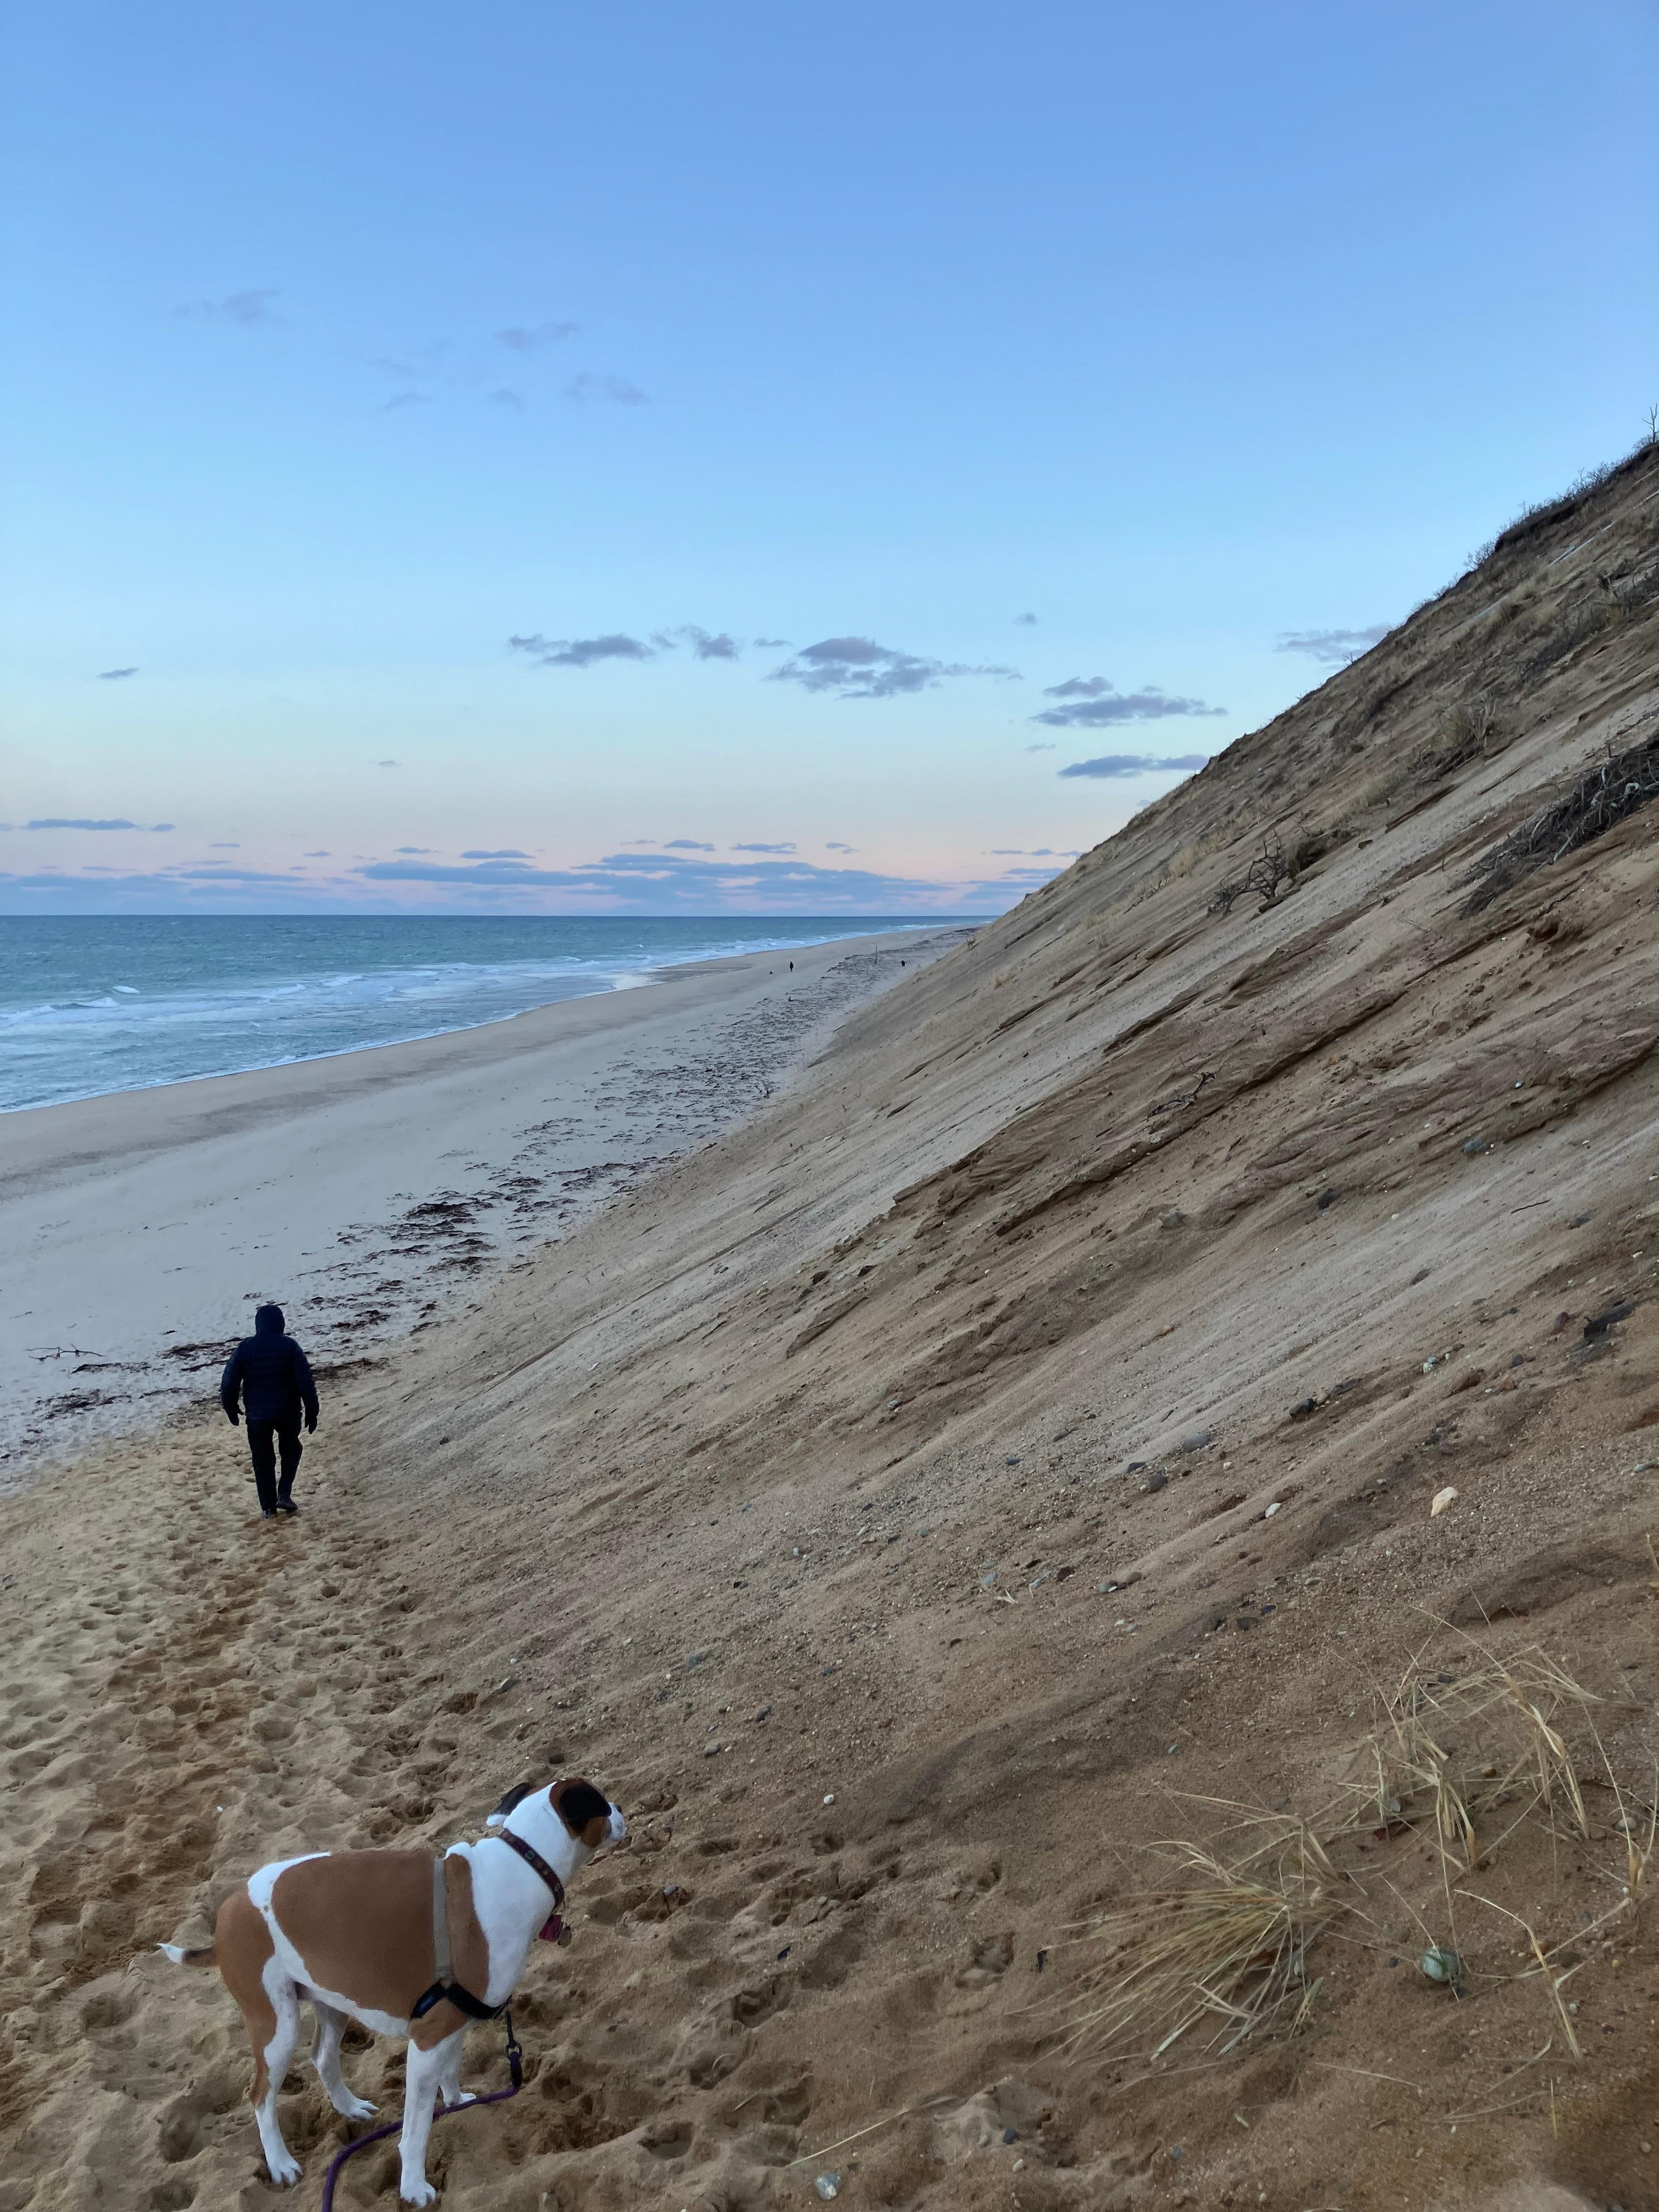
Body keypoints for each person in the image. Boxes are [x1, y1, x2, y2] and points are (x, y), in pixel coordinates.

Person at [220, 1304, 319, 1520]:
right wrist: (313, 1409)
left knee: (262, 1459)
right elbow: (306, 1382)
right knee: (291, 1449)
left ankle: (268, 1507)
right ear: (281, 1324)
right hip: (288, 1412)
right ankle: (284, 1493)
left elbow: (229, 1382)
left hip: (257, 1416)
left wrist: (230, 1408)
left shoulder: (245, 1349)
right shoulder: (290, 1347)